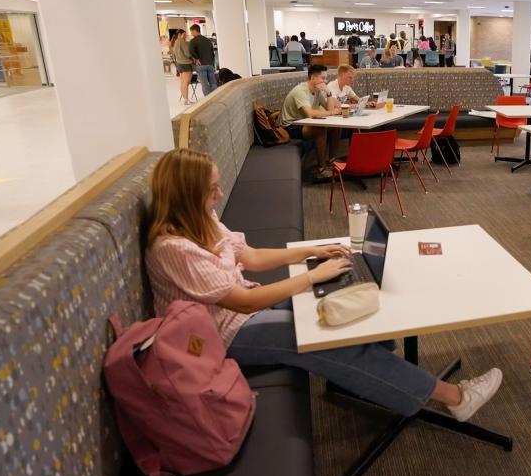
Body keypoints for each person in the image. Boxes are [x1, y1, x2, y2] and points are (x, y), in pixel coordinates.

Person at [145, 149, 503, 423]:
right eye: (211, 190)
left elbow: (249, 257)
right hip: (219, 337)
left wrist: (311, 251)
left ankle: (378, 374)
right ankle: (456, 399)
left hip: (242, 309)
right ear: (187, 194)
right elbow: (240, 304)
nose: (220, 195)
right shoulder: (173, 248)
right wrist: (311, 275)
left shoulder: (201, 220)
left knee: (342, 298)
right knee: (326, 338)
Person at [281, 64, 343, 179]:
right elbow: (310, 113)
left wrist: (329, 93)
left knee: (336, 125)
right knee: (320, 130)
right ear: (313, 78)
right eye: (323, 78)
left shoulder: (318, 91)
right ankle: (321, 168)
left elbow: (329, 108)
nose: (325, 81)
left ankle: (332, 160)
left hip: (304, 123)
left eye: (326, 78)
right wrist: (332, 112)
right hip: (290, 126)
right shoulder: (301, 91)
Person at [188, 24, 217, 96]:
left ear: (195, 31)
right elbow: (212, 52)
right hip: (210, 64)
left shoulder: (193, 41)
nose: (191, 34)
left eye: (191, 32)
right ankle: (215, 97)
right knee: (213, 83)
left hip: (201, 65)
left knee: (204, 84)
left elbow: (191, 51)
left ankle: (208, 99)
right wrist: (212, 64)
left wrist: (196, 58)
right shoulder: (208, 40)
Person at [170, 29, 194, 105]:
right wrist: (193, 58)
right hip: (186, 64)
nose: (186, 35)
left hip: (179, 64)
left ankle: (185, 99)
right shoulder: (181, 41)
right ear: (180, 34)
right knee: (186, 83)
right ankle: (186, 100)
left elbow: (174, 54)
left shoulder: (175, 42)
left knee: (182, 82)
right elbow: (187, 53)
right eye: (184, 34)